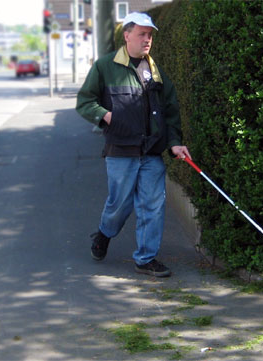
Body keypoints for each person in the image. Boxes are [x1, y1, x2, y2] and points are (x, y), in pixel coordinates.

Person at [76, 12, 190, 277]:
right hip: (120, 152)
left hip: (151, 153)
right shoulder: (105, 67)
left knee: (153, 205)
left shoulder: (156, 72)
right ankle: (104, 234)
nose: (147, 39)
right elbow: (85, 101)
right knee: (120, 205)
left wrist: (174, 143)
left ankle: (146, 258)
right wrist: (106, 115)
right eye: (142, 34)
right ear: (126, 35)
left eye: (150, 35)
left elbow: (170, 111)